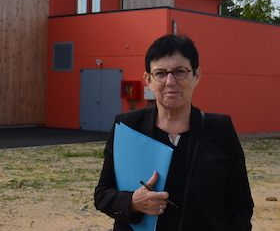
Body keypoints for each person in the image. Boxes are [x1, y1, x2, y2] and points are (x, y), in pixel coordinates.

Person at [94, 34, 254, 231]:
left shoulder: (220, 128)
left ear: (196, 76)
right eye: (160, 73)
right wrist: (132, 202)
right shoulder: (128, 127)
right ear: (148, 80)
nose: (170, 81)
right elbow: (102, 195)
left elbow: (241, 202)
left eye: (180, 71)